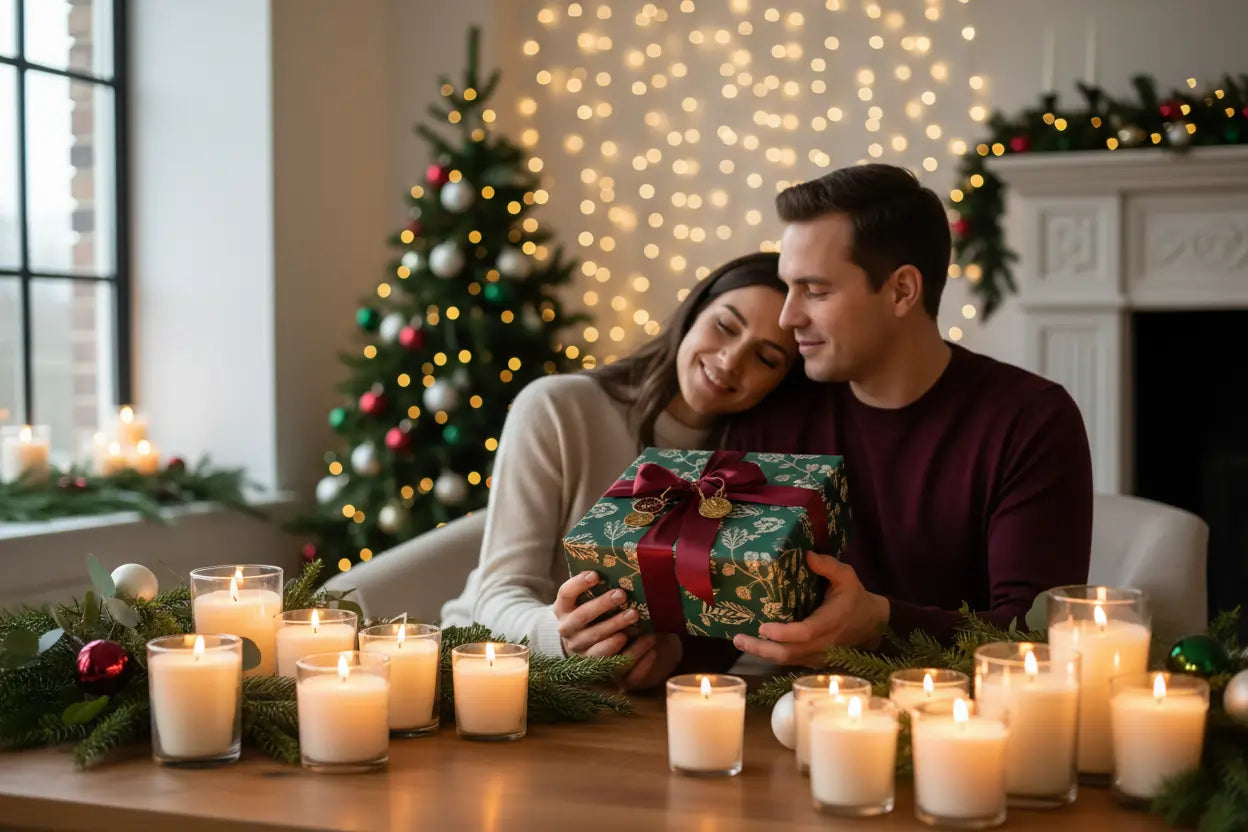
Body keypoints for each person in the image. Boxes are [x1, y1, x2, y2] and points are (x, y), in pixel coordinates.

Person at [725, 163, 1094, 668]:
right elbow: (729, 603)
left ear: (902, 291)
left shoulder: (1029, 420)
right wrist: (660, 648)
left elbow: (1038, 635)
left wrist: (880, 623)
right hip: (782, 718)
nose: (789, 317)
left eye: (815, 290)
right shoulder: (777, 407)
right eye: (788, 287)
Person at [439, 251, 800, 689]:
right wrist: (564, 638)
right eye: (724, 326)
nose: (729, 361)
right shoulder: (558, 409)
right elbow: (494, 599)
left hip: (632, 703)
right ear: (692, 312)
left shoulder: (761, 471)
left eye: (766, 358)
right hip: (497, 673)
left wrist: (671, 655)